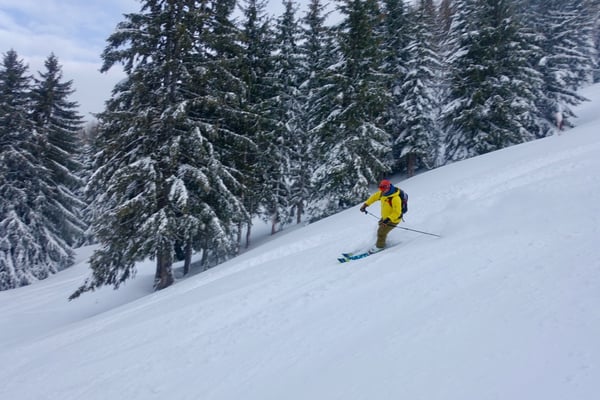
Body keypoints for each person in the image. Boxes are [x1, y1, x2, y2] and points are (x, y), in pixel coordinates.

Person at [359, 179, 403, 253]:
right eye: (380, 188)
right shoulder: (383, 194)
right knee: (380, 228)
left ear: (388, 187)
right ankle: (382, 241)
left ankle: (379, 247)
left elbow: (397, 213)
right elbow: (373, 198)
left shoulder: (395, 198)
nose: (382, 190)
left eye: (383, 188)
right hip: (385, 218)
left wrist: (387, 220)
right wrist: (365, 205)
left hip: (393, 220)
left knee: (381, 232)